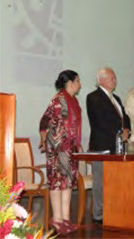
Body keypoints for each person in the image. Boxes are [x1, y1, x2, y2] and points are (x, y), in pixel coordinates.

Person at [39, 70, 81, 235]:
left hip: (70, 148)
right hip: (57, 149)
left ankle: (65, 219)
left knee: (68, 182)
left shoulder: (74, 101)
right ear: (69, 83)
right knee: (57, 182)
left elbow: (74, 126)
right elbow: (44, 121)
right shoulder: (58, 100)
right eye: (77, 81)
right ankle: (56, 219)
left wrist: (77, 144)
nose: (80, 84)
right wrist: (44, 140)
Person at [86, 68, 130, 223]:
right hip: (102, 146)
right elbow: (100, 121)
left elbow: (124, 116)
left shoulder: (116, 98)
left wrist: (127, 130)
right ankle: (98, 214)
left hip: (117, 147)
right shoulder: (93, 97)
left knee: (115, 180)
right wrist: (119, 132)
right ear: (102, 80)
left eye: (115, 78)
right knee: (101, 181)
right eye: (112, 77)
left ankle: (113, 210)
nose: (115, 80)